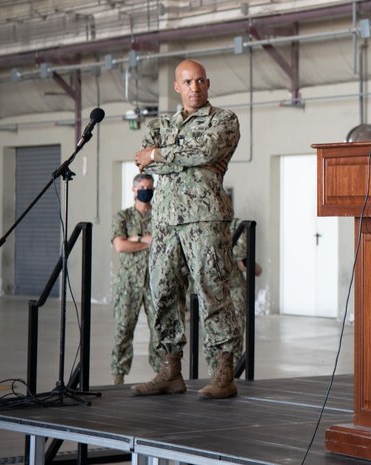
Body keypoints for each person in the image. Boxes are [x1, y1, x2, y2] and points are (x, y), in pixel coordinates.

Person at [131, 58, 242, 399]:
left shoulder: (223, 120)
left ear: (207, 84)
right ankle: (169, 370)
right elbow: (141, 159)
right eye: (188, 82)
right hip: (164, 221)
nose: (195, 87)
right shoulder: (162, 123)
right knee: (161, 290)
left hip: (204, 218)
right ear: (177, 87)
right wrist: (177, 156)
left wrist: (160, 155)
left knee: (212, 290)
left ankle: (223, 373)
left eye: (200, 81)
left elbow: (207, 149)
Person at [110, 173, 160, 385]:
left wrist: (134, 240)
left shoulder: (159, 216)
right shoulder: (123, 217)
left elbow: (163, 243)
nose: (145, 191)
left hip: (154, 281)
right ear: (133, 190)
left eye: (149, 187)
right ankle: (118, 376)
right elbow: (120, 246)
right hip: (128, 282)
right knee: (123, 328)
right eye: (141, 187)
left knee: (159, 329)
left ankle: (161, 375)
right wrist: (145, 240)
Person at [229, 218, 262, 367]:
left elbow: (242, 259)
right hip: (217, 289)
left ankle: (232, 372)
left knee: (235, 332)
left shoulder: (237, 224)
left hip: (235, 289)